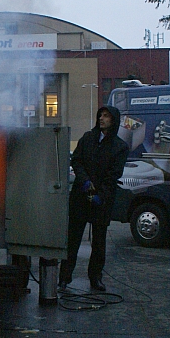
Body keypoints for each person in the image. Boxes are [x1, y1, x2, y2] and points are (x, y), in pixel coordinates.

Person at [59, 105, 129, 292]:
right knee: (73, 239)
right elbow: (77, 160)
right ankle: (64, 278)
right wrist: (85, 182)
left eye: (106, 116)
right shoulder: (88, 138)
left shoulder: (120, 147)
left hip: (102, 200)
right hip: (81, 197)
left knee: (99, 241)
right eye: (100, 115)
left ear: (113, 120)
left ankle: (95, 277)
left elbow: (114, 174)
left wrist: (99, 194)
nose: (102, 119)